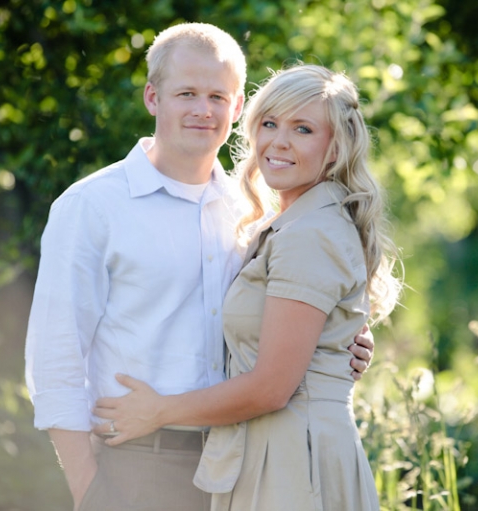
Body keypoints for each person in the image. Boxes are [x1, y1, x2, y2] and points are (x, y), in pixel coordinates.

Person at [24, 24, 374, 511]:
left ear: (236, 109)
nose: (202, 109)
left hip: (242, 461)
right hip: (139, 467)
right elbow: (54, 364)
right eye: (186, 93)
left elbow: (284, 319)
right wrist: (92, 493)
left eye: (218, 96)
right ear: (152, 97)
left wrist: (341, 343)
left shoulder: (250, 211)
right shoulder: (92, 206)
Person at [93, 64, 402, 510]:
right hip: (277, 452)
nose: (278, 141)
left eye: (303, 128)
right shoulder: (290, 222)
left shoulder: (309, 232)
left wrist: (159, 411)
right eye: (270, 123)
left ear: (335, 147)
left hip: (293, 464)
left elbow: (271, 388)